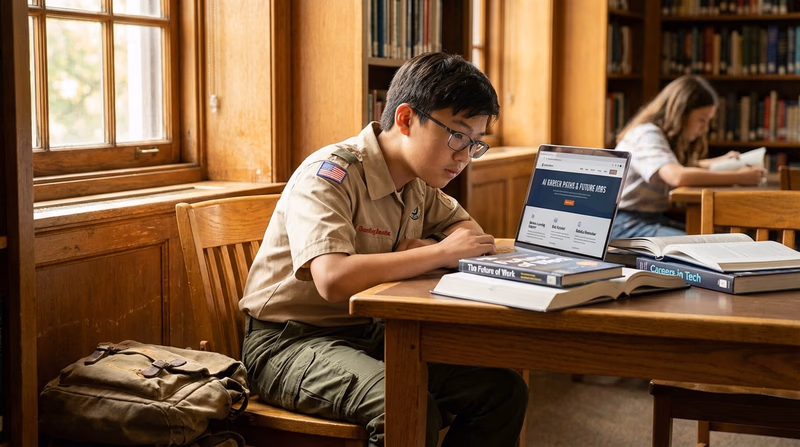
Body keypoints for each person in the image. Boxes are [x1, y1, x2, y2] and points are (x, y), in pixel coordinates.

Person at [239, 52, 528, 447]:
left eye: (475, 143)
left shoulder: (418, 179)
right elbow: (333, 280)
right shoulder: (329, 174)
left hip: (371, 333)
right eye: (457, 136)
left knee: (503, 390)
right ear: (406, 118)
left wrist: (425, 244)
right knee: (406, 405)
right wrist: (436, 254)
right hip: (289, 343)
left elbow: (470, 234)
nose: (464, 156)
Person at [611, 75, 766, 239]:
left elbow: (681, 165)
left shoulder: (662, 136)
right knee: (703, 244)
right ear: (681, 114)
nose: (705, 128)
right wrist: (739, 177)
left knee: (720, 239)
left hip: (648, 218)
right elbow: (677, 176)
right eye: (702, 120)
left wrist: (719, 162)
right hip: (623, 223)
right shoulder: (647, 134)